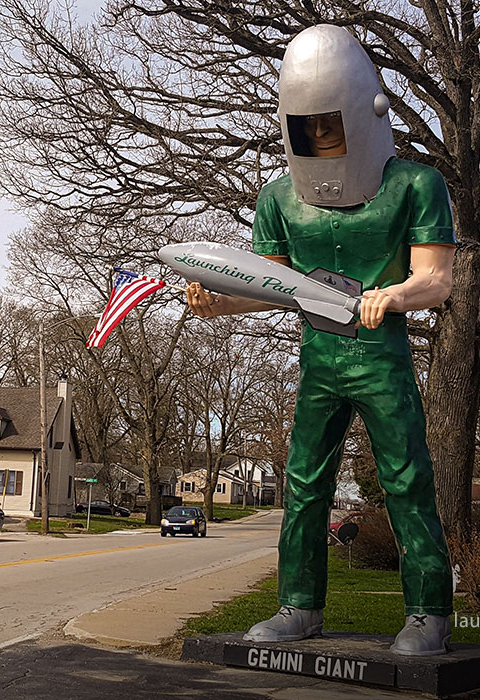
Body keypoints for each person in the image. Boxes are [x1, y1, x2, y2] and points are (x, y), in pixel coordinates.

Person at [184, 24, 456, 656]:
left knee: (406, 478)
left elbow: (436, 278)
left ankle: (429, 612)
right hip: (320, 357)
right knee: (304, 481)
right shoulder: (279, 198)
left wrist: (393, 296)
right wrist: (219, 302)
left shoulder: (415, 185)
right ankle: (298, 605)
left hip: (381, 357)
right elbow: (273, 286)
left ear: (367, 113)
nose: (322, 139)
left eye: (331, 125)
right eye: (309, 128)